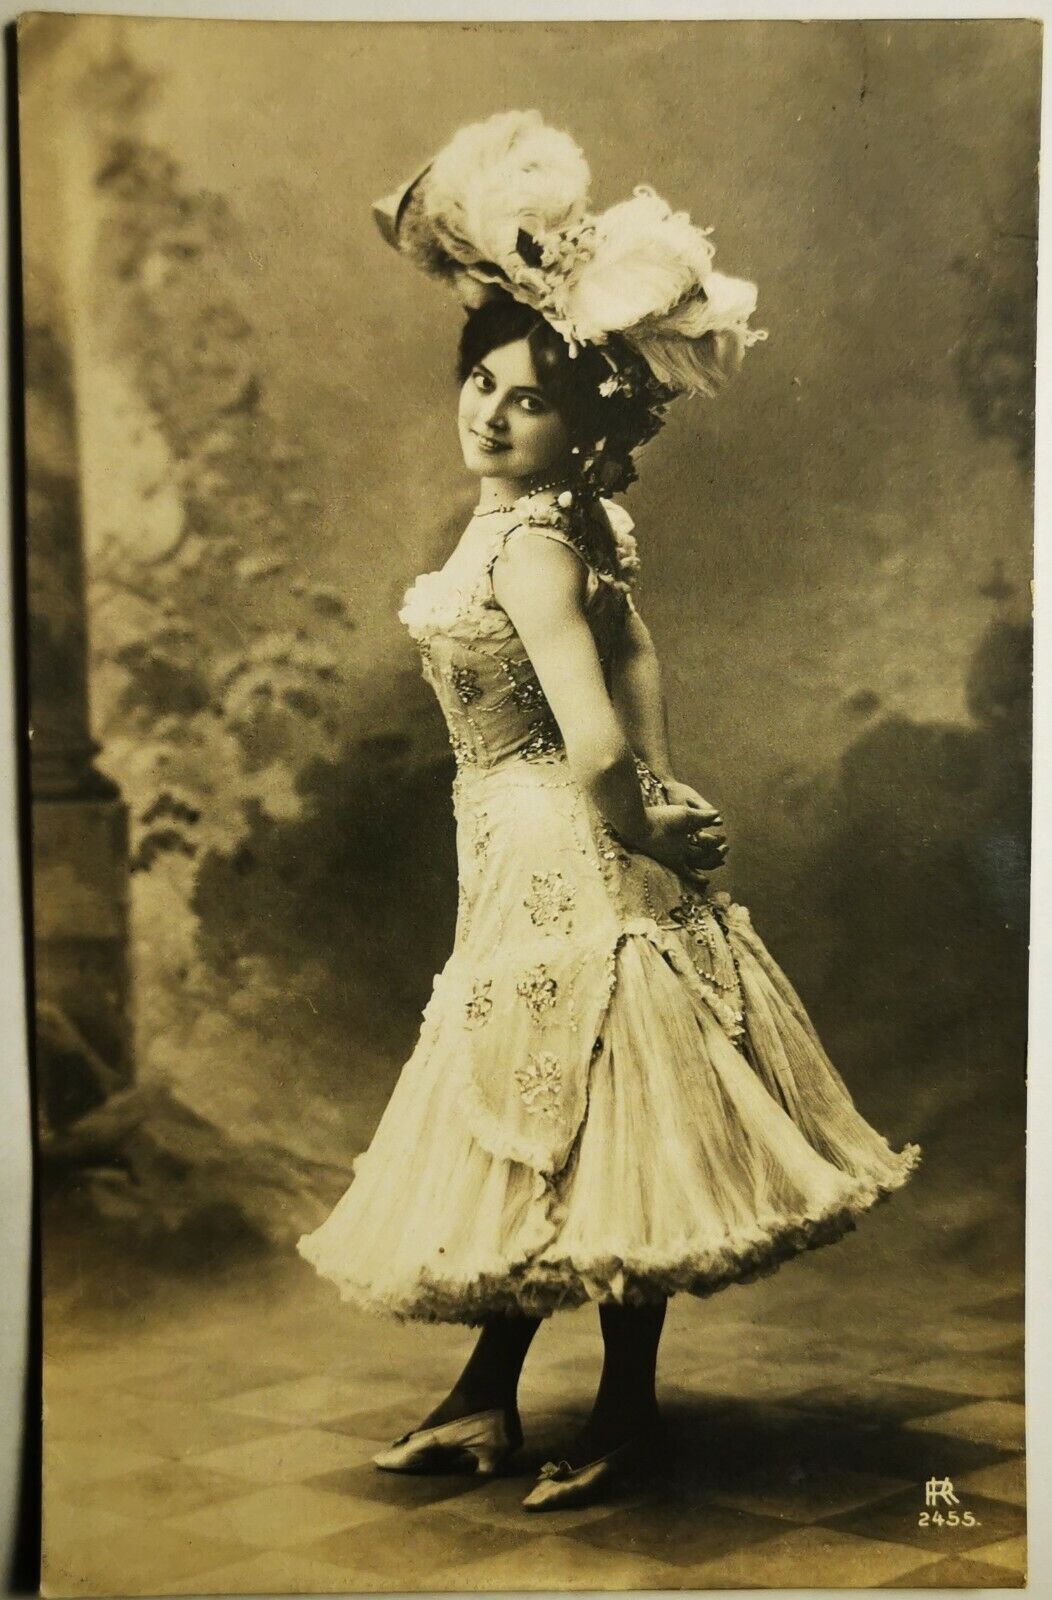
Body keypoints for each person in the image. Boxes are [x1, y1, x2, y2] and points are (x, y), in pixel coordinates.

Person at [296, 111, 922, 1513]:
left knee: (586, 1116)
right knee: (549, 1120)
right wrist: (664, 772)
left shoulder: (525, 544)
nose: (486, 412)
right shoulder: (558, 524)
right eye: (478, 385)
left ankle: (613, 1411)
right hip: (521, 846)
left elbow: (583, 737)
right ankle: (484, 1399)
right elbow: (636, 652)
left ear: (584, 417)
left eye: (521, 398)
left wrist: (638, 812)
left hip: (557, 846)